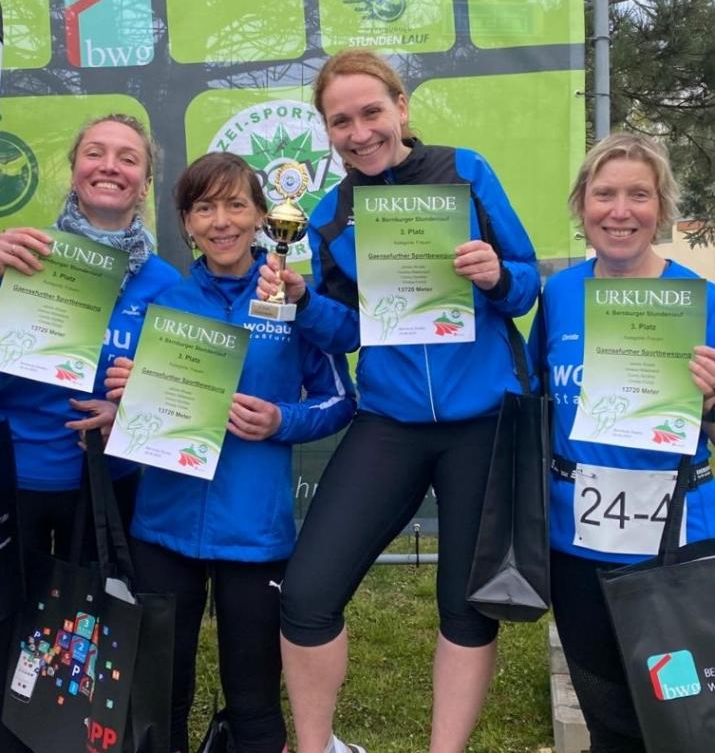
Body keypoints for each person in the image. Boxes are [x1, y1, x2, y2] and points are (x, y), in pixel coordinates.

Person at [257, 49, 540, 753]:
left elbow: (526, 285)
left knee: (465, 608)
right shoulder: (331, 213)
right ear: (327, 131)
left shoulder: (466, 171)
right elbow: (350, 331)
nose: (359, 133)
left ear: (401, 107)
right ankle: (315, 748)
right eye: (340, 121)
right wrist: (302, 300)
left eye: (371, 112)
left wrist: (496, 275)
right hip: (390, 420)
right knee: (307, 594)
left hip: (483, 422)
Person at [105, 151, 356, 753]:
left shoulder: (289, 297)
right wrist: (125, 393)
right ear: (186, 223)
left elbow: (340, 400)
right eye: (204, 208)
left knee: (253, 698)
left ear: (263, 217)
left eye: (236, 205)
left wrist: (280, 420)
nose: (221, 221)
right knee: (161, 691)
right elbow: (133, 392)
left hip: (253, 529)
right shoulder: (166, 299)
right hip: (163, 524)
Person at [530, 133, 715, 753]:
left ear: (661, 208)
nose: (620, 211)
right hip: (576, 540)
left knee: (684, 723)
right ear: (582, 206)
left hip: (677, 542)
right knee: (606, 716)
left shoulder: (702, 300)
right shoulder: (558, 295)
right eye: (604, 194)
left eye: (639, 195)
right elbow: (538, 402)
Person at [0, 113, 180, 750]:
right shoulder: (24, 253)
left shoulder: (166, 284)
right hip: (17, 478)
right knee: (9, 629)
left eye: (128, 158)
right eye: (95, 153)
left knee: (89, 640)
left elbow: (177, 395)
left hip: (108, 489)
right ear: (74, 171)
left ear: (145, 181)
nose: (110, 166)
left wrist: (127, 411)